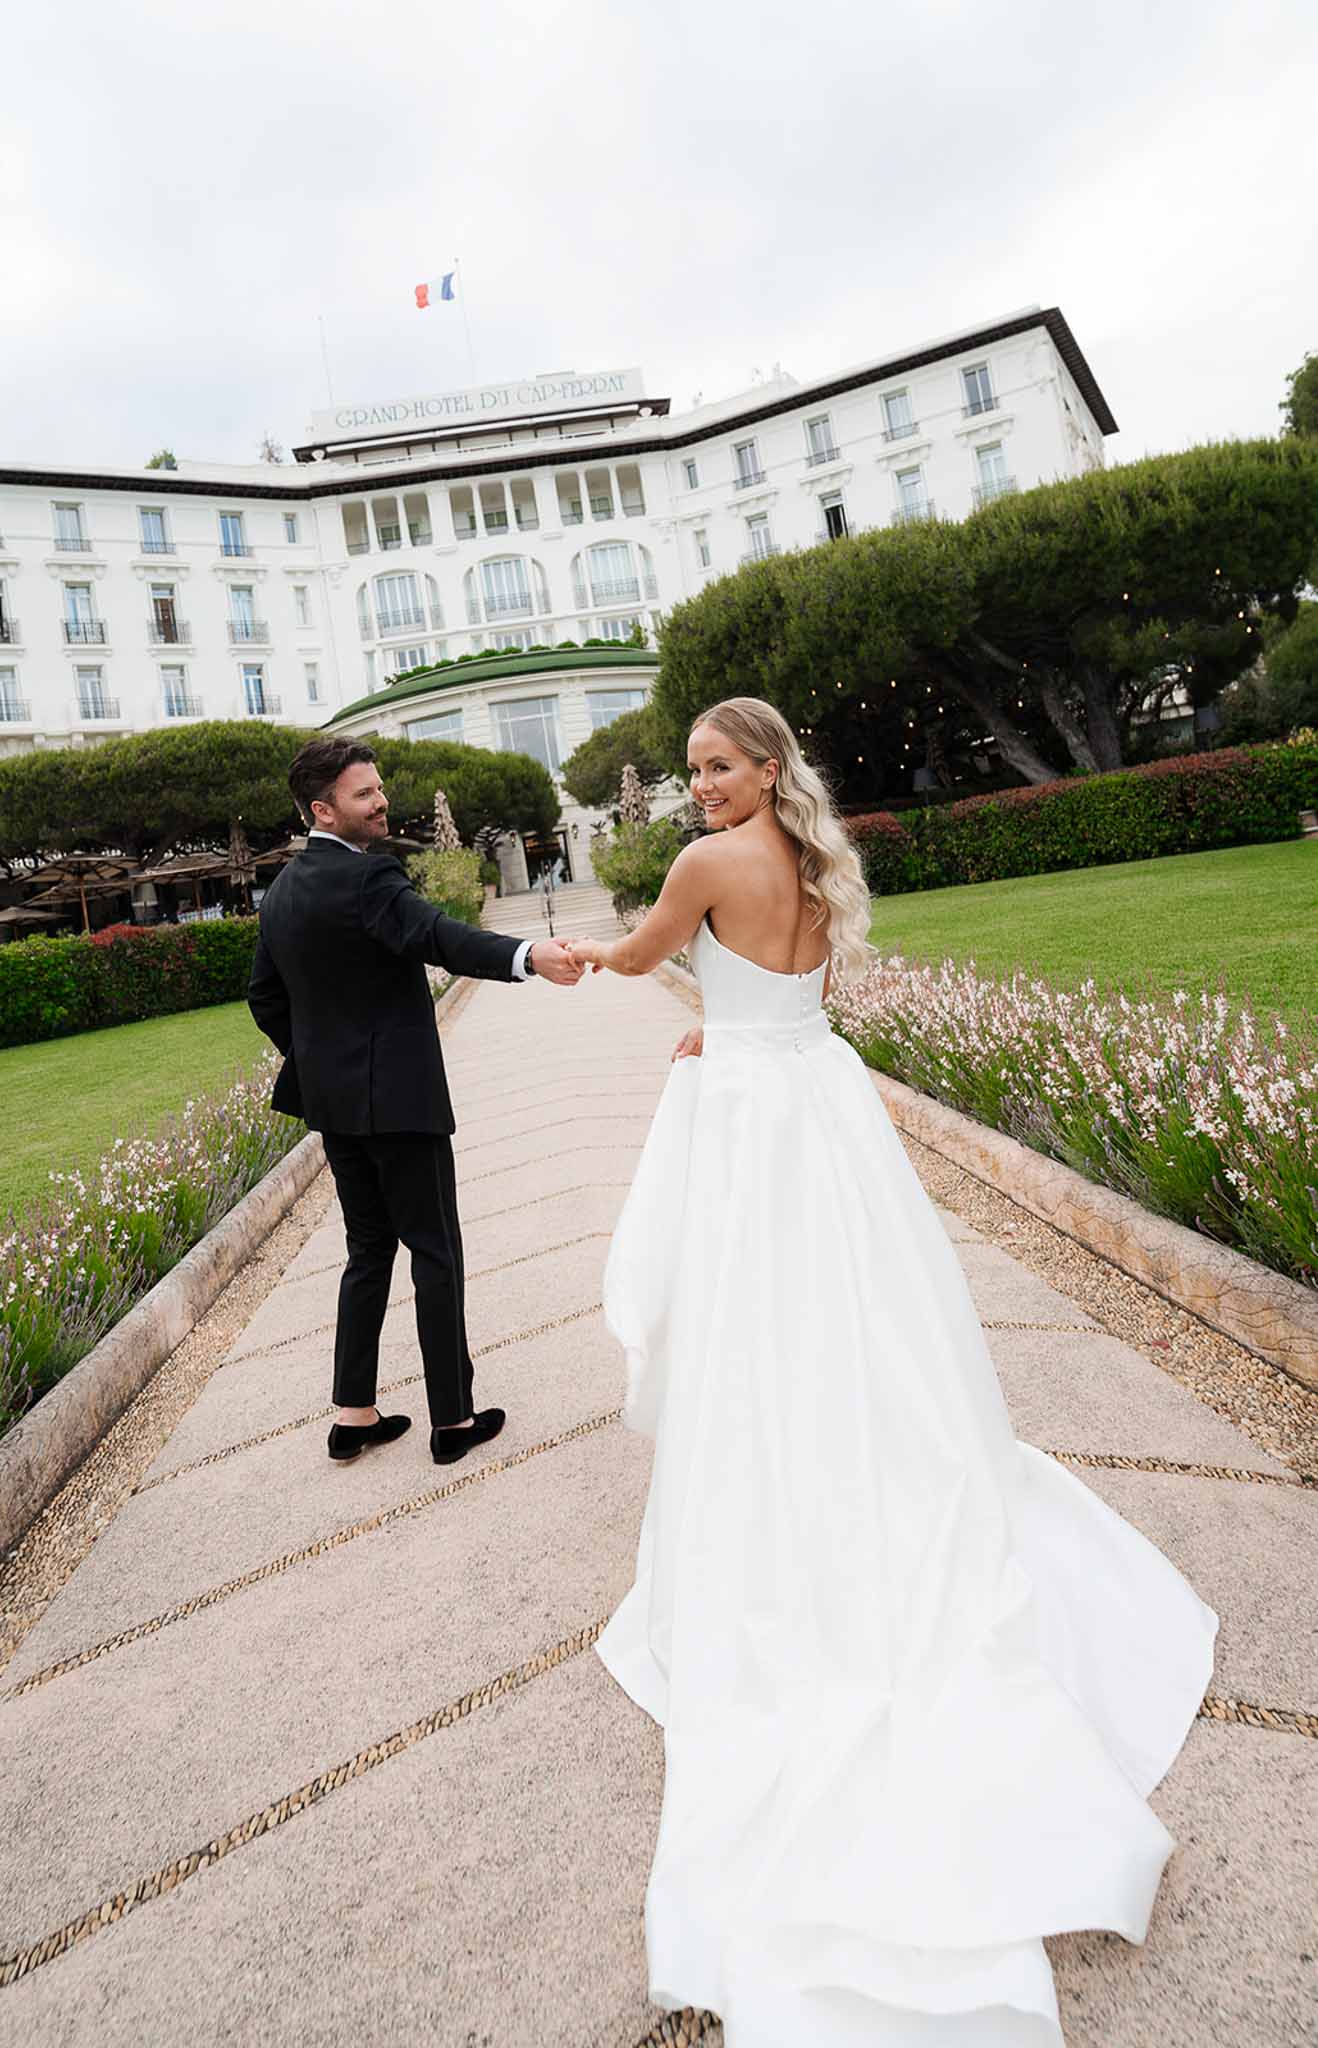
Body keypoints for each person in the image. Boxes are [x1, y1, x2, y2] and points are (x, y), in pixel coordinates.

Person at [566, 697, 1218, 2047]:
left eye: (717, 766)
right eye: (690, 771)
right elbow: (787, 992)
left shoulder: (703, 865)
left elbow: (639, 960)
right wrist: (732, 1028)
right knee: (861, 1315)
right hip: (816, 1095)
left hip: (756, 1117)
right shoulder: (811, 857)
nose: (699, 787)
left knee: (757, 1320)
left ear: (763, 768)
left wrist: (579, 955)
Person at [248, 737, 583, 1467]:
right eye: (365, 793)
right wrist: (529, 958)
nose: (381, 800)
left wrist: (326, 1064)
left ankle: (353, 1412)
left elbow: (264, 999)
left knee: (367, 1252)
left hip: (334, 1108)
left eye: (379, 788)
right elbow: (439, 937)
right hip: (400, 1101)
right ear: (322, 808)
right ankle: (453, 1421)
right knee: (435, 1250)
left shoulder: (279, 894)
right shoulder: (370, 878)